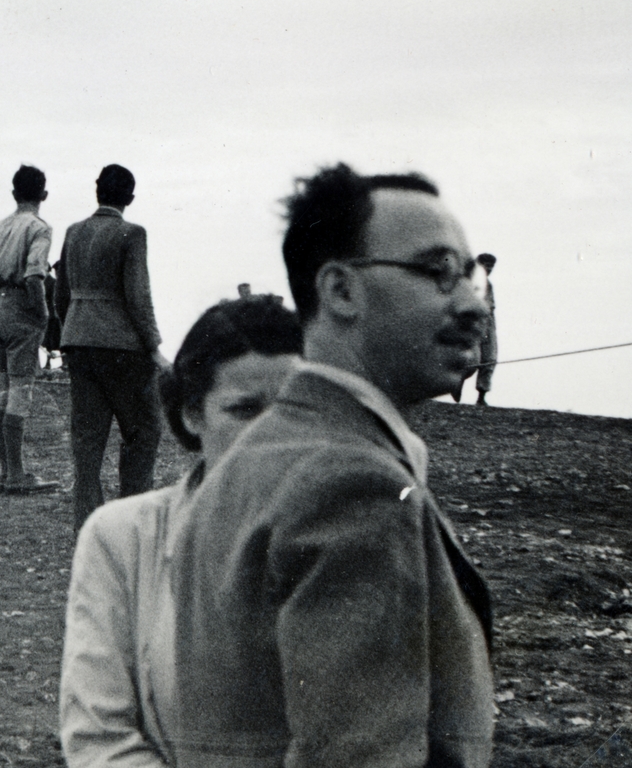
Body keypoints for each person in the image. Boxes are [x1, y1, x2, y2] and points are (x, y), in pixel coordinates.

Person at [172, 164, 494, 768]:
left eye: (470, 275)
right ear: (341, 291)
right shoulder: (353, 484)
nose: (473, 303)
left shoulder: (252, 459)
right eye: (439, 272)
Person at [62, 295, 303, 768]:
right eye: (245, 410)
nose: (274, 434)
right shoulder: (123, 537)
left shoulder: (357, 537)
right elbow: (99, 737)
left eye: (295, 409)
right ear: (192, 413)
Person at [57, 163, 170, 531]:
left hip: (78, 341)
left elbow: (62, 294)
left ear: (97, 191)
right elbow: (139, 295)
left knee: (87, 443)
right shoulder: (132, 233)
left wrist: (68, 334)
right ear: (130, 198)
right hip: (122, 349)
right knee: (144, 431)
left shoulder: (73, 232)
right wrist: (153, 346)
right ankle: (132, 524)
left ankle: (87, 528)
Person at [0, 165, 58, 495]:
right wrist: (42, 315)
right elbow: (34, 276)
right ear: (43, 195)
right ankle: (16, 475)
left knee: (1, 389)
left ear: (14, 194)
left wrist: (0, 302)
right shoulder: (39, 227)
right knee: (20, 391)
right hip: (20, 310)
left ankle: (5, 472)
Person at [472, 252, 497, 406]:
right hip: (472, 321)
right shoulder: (467, 281)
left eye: (491, 266)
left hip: (488, 322)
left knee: (490, 358)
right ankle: (456, 388)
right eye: (485, 265)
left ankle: (481, 396)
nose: (489, 269)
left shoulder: (490, 285)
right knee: (468, 358)